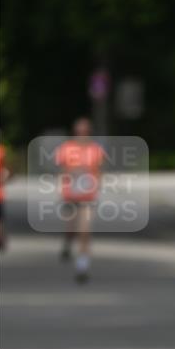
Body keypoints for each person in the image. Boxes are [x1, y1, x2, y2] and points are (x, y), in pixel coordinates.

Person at [55, 118, 105, 283]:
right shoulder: (66, 149)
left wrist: (98, 186)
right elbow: (62, 170)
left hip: (87, 197)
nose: (82, 135)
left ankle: (82, 268)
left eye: (85, 132)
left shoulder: (95, 150)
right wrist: (61, 189)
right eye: (79, 132)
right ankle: (67, 244)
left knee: (84, 232)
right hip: (70, 194)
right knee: (71, 229)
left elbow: (99, 171)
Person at [0, 133, 11, 251]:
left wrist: (3, 177)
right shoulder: (1, 151)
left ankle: (0, 239)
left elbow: (5, 170)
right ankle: (1, 239)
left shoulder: (0, 151)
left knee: (0, 219)